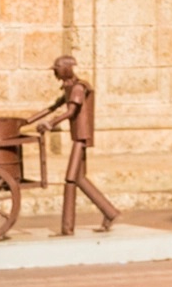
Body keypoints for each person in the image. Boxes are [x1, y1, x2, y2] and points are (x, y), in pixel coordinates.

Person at [35, 49, 117, 237]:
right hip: (77, 136)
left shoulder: (79, 89)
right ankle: (110, 213)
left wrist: (50, 124)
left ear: (66, 70)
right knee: (79, 179)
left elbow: (70, 112)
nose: (55, 74)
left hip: (81, 136)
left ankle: (67, 228)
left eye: (57, 70)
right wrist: (26, 121)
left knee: (71, 179)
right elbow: (52, 107)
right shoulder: (70, 88)